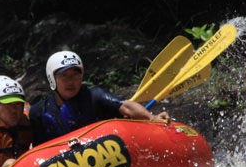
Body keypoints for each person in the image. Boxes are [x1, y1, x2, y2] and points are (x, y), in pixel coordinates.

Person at [30, 50, 169, 145]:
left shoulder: (94, 95)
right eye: (64, 76)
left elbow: (126, 106)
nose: (70, 81)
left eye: (75, 75)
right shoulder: (39, 111)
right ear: (52, 79)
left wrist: (152, 118)